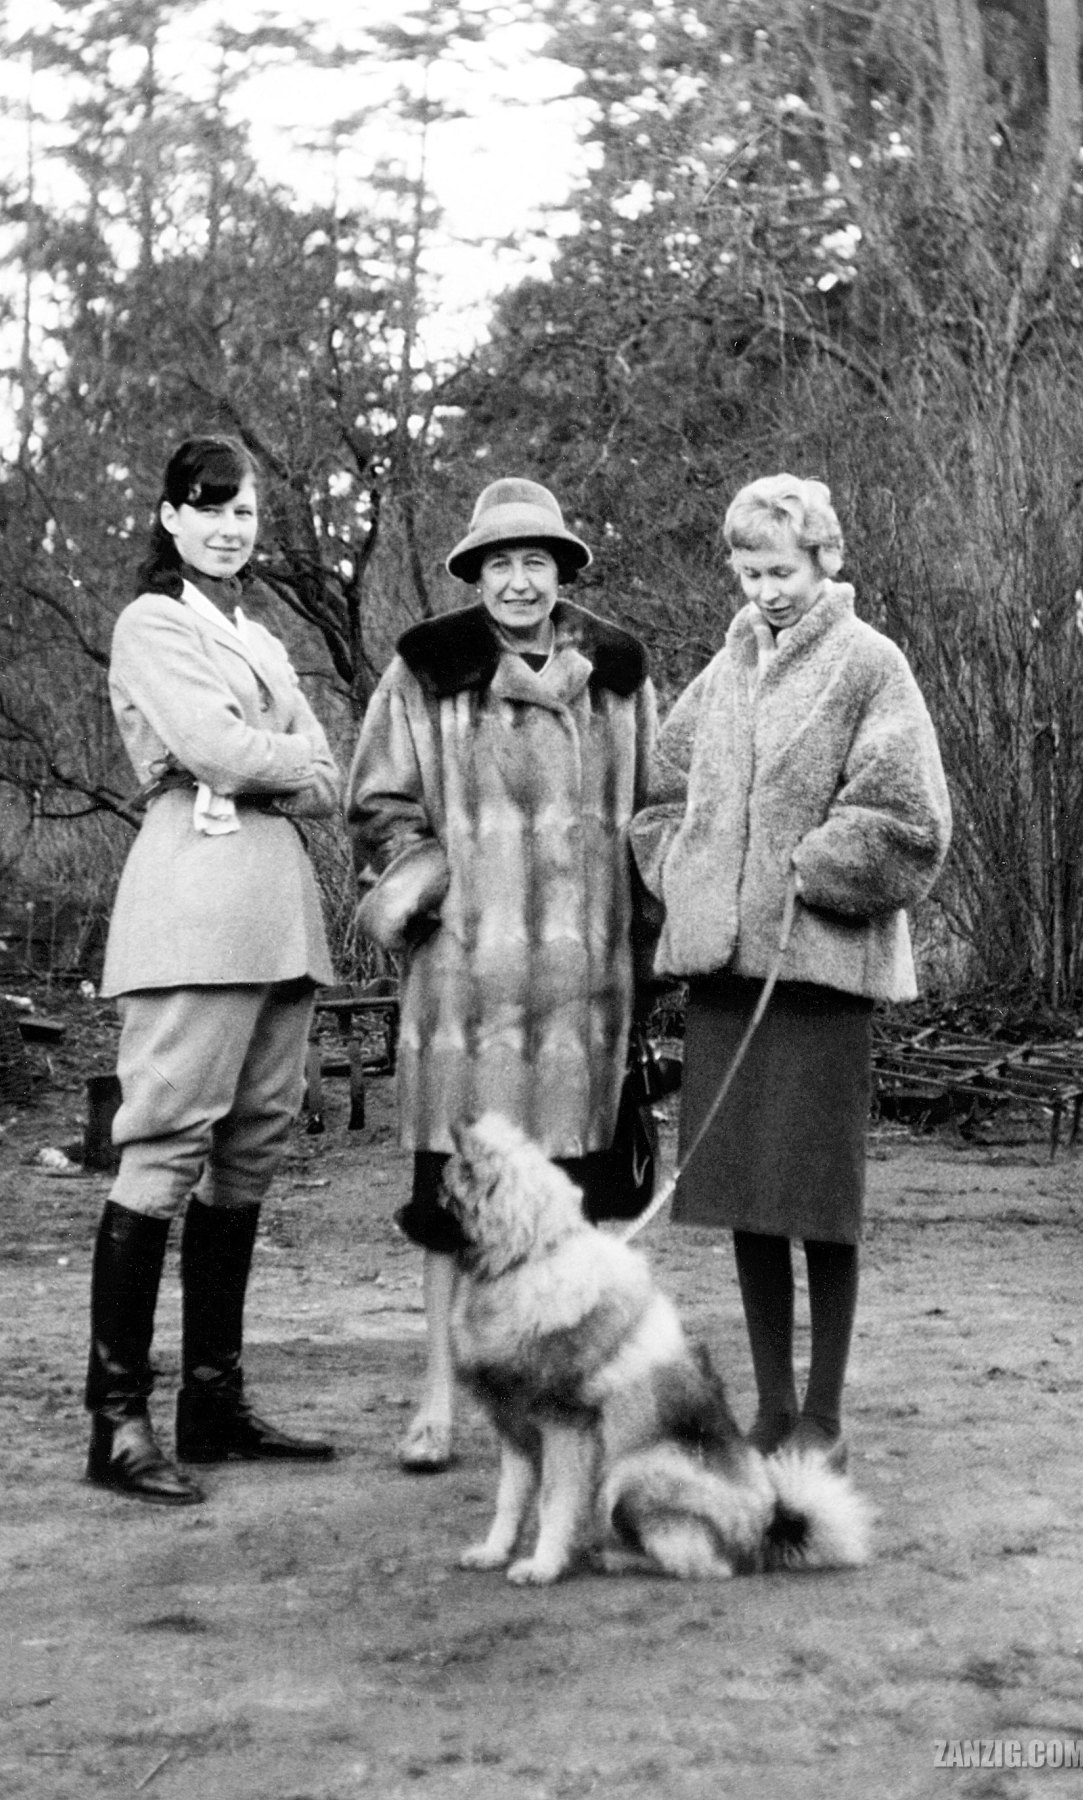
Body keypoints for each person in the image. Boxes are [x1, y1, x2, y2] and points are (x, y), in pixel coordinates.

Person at [631, 473, 951, 1470]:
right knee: (747, 1195)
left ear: (827, 563)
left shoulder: (870, 665)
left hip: (820, 977)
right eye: (749, 569)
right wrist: (689, 876)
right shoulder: (723, 669)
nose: (765, 589)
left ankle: (824, 1415)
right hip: (727, 977)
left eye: (783, 569)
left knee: (817, 1199)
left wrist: (812, 867)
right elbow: (660, 800)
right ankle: (770, 1406)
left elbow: (911, 818)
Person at [347, 477, 657, 1471]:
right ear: (475, 574)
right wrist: (427, 883)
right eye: (499, 564)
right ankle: (437, 1397)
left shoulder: (619, 676)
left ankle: (568, 1395)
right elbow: (376, 802)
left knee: (574, 1210)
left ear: (561, 572)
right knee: (452, 1208)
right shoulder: (424, 676)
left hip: (582, 991)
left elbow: (661, 806)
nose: (518, 582)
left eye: (536, 562)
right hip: (463, 992)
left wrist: (649, 925)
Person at [86, 433, 343, 1506]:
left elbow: (328, 775)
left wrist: (269, 761)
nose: (233, 525)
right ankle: (116, 1422)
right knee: (164, 1147)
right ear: (171, 515)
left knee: (251, 1149)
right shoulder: (154, 621)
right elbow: (218, 749)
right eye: (212, 506)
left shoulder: (257, 634)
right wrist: (270, 758)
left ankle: (212, 1400)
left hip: (277, 908)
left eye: (246, 509)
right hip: (192, 902)